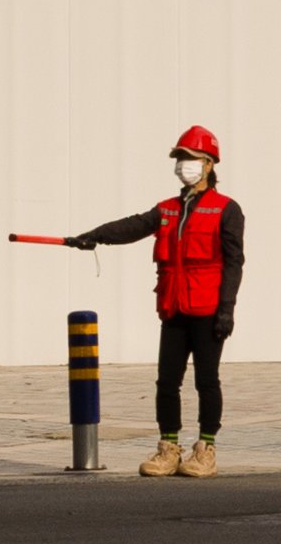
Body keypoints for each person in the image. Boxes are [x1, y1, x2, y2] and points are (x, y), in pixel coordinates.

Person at [65, 124, 243, 480]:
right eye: (179, 159)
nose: (183, 165)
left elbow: (234, 261)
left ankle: (206, 449)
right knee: (166, 382)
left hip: (208, 310)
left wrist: (227, 308)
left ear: (208, 164)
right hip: (174, 306)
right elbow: (133, 226)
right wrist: (94, 236)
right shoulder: (167, 210)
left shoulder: (226, 209)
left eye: (190, 158)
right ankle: (168, 447)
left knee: (206, 381)